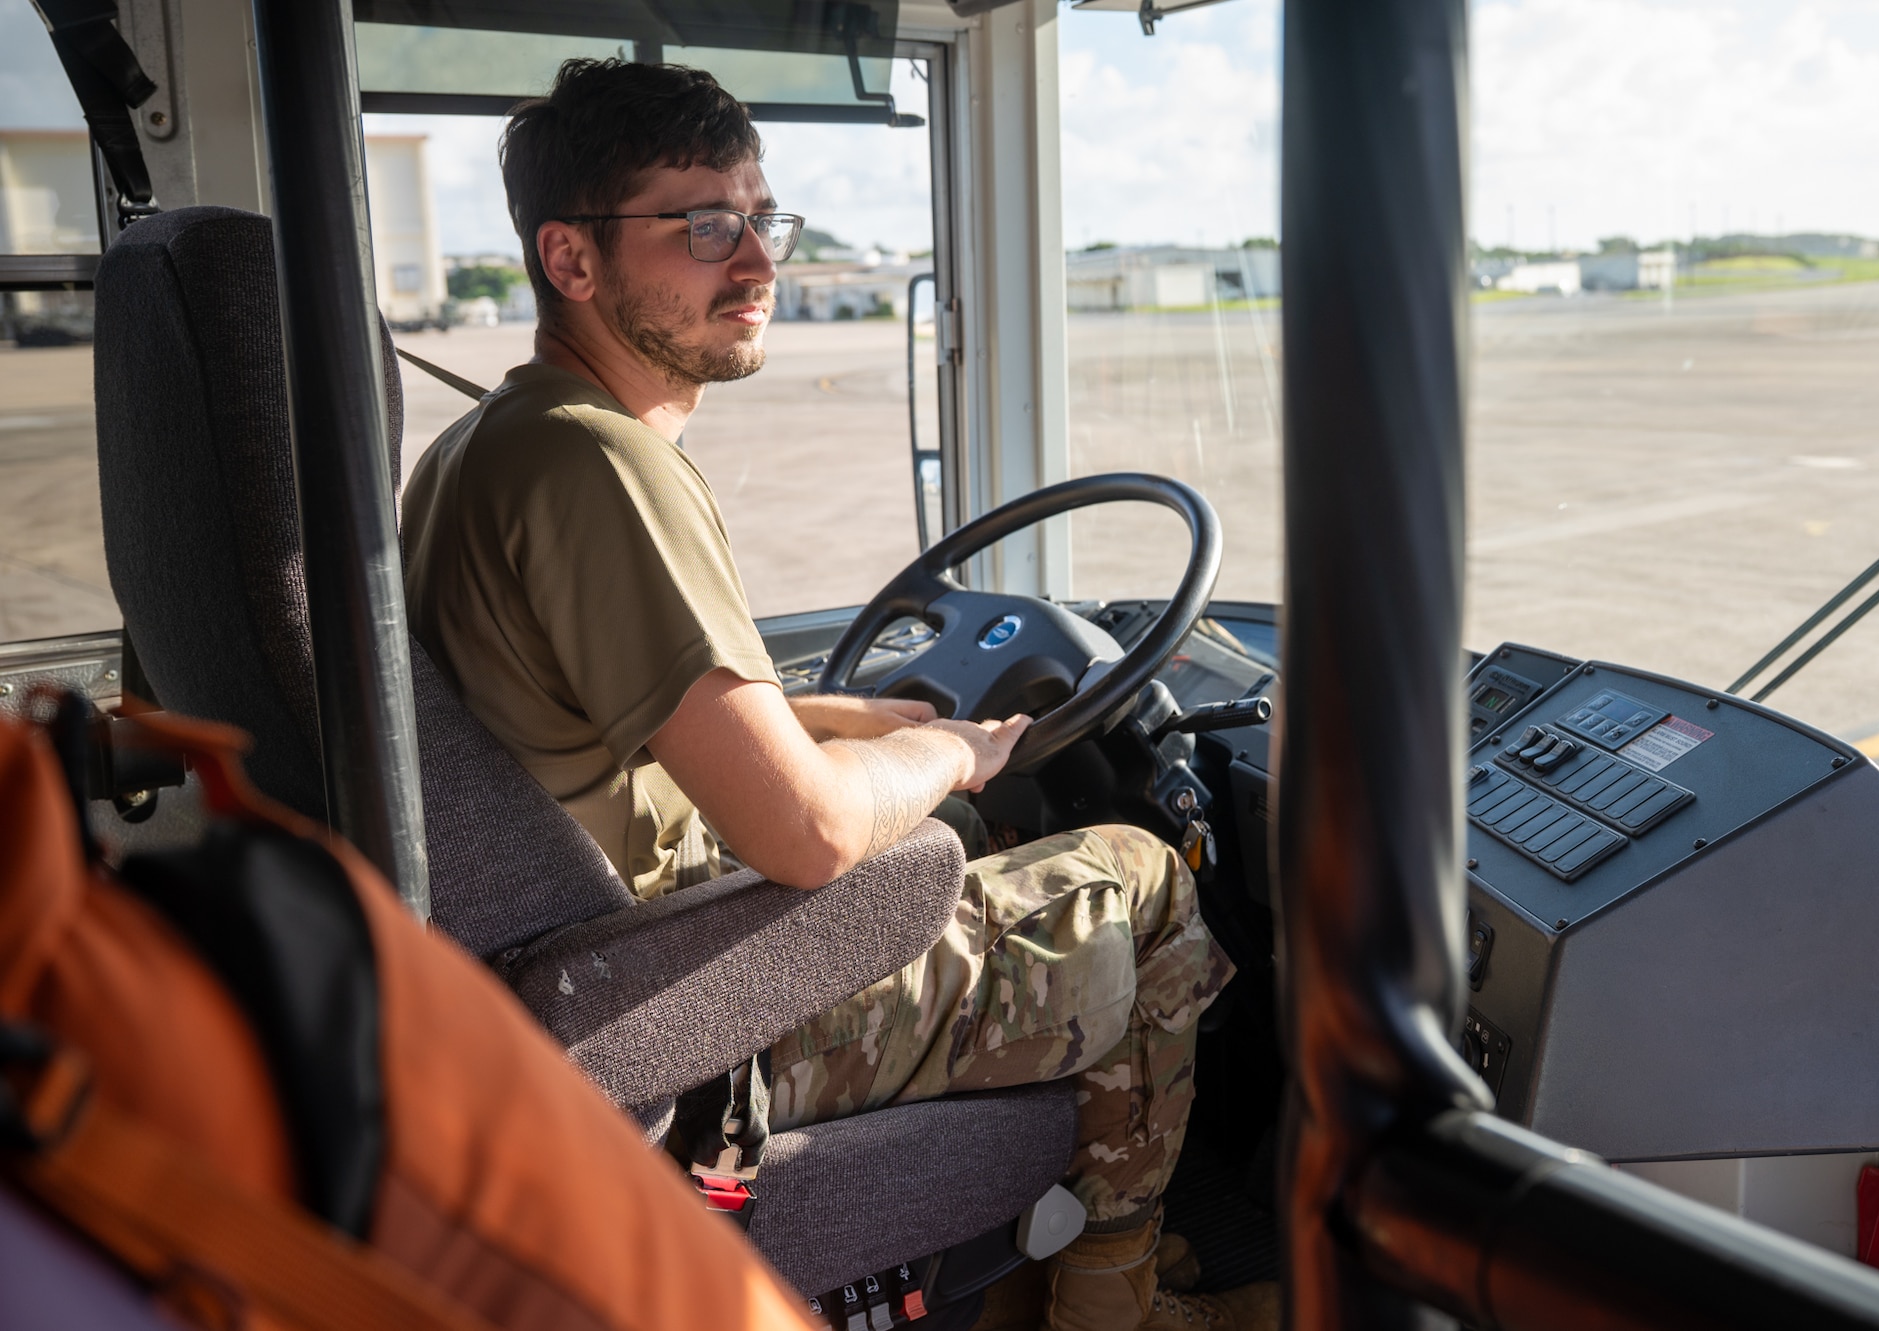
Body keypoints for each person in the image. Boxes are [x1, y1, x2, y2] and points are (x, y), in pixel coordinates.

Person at [400, 58, 1269, 1331]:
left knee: (958, 833)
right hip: (681, 1014)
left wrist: (855, 723)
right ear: (570, 261)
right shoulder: (598, 462)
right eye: (702, 226)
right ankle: (1119, 1299)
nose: (754, 261)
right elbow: (802, 831)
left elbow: (610, 723)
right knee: (1139, 880)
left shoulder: (487, 446)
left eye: (762, 219)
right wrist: (956, 753)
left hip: (580, 970)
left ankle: (1039, 1265)